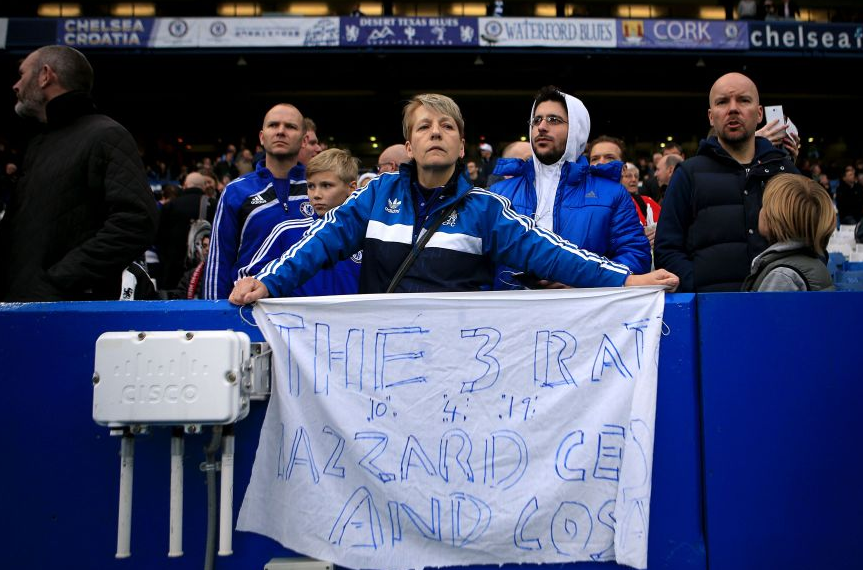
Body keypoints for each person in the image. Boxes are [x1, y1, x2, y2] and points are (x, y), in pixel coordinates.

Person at [229, 94, 678, 304]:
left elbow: (553, 254)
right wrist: (268, 282)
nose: (435, 133)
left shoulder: (485, 209)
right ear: (409, 146)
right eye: (424, 127)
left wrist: (626, 281)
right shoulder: (375, 196)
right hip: (380, 361)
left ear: (462, 147)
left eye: (446, 127)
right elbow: (318, 244)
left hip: (454, 368)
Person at [0, 45, 158, 301]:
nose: (16, 85)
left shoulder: (106, 135)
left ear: (45, 75)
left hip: (63, 311)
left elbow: (136, 222)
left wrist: (57, 281)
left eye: (22, 74)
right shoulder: (37, 144)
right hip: (22, 309)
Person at [490, 87, 651, 290]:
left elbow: (636, 255)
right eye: (536, 120)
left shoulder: (612, 194)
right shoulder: (498, 193)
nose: (542, 127)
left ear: (577, 130)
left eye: (553, 120)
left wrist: (584, 283)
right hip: (510, 309)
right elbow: (475, 264)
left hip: (585, 308)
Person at [654, 72, 799, 292]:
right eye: (722, 102)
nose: (733, 109)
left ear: (759, 113)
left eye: (743, 100)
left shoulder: (786, 172)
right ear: (711, 117)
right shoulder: (688, 174)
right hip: (711, 307)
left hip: (778, 306)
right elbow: (667, 250)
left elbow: (812, 243)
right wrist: (699, 287)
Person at [205, 103, 310, 299]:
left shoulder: (319, 188)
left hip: (310, 309)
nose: (280, 131)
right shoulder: (236, 191)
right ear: (262, 137)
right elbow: (219, 262)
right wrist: (213, 311)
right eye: (273, 125)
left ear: (304, 140)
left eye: (290, 126)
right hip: (251, 308)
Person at [235, 147, 360, 297]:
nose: (316, 195)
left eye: (326, 185)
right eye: (311, 186)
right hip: (297, 313)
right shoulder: (285, 231)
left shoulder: (368, 235)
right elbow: (249, 280)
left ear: (352, 188)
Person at [742, 174, 834, 291]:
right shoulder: (809, 261)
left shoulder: (782, 275)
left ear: (775, 218)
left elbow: (768, 304)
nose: (760, 211)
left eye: (764, 206)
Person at [622, 162, 662, 248]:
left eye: (636, 176)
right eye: (628, 176)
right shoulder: (610, 204)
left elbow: (666, 224)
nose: (634, 179)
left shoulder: (647, 201)